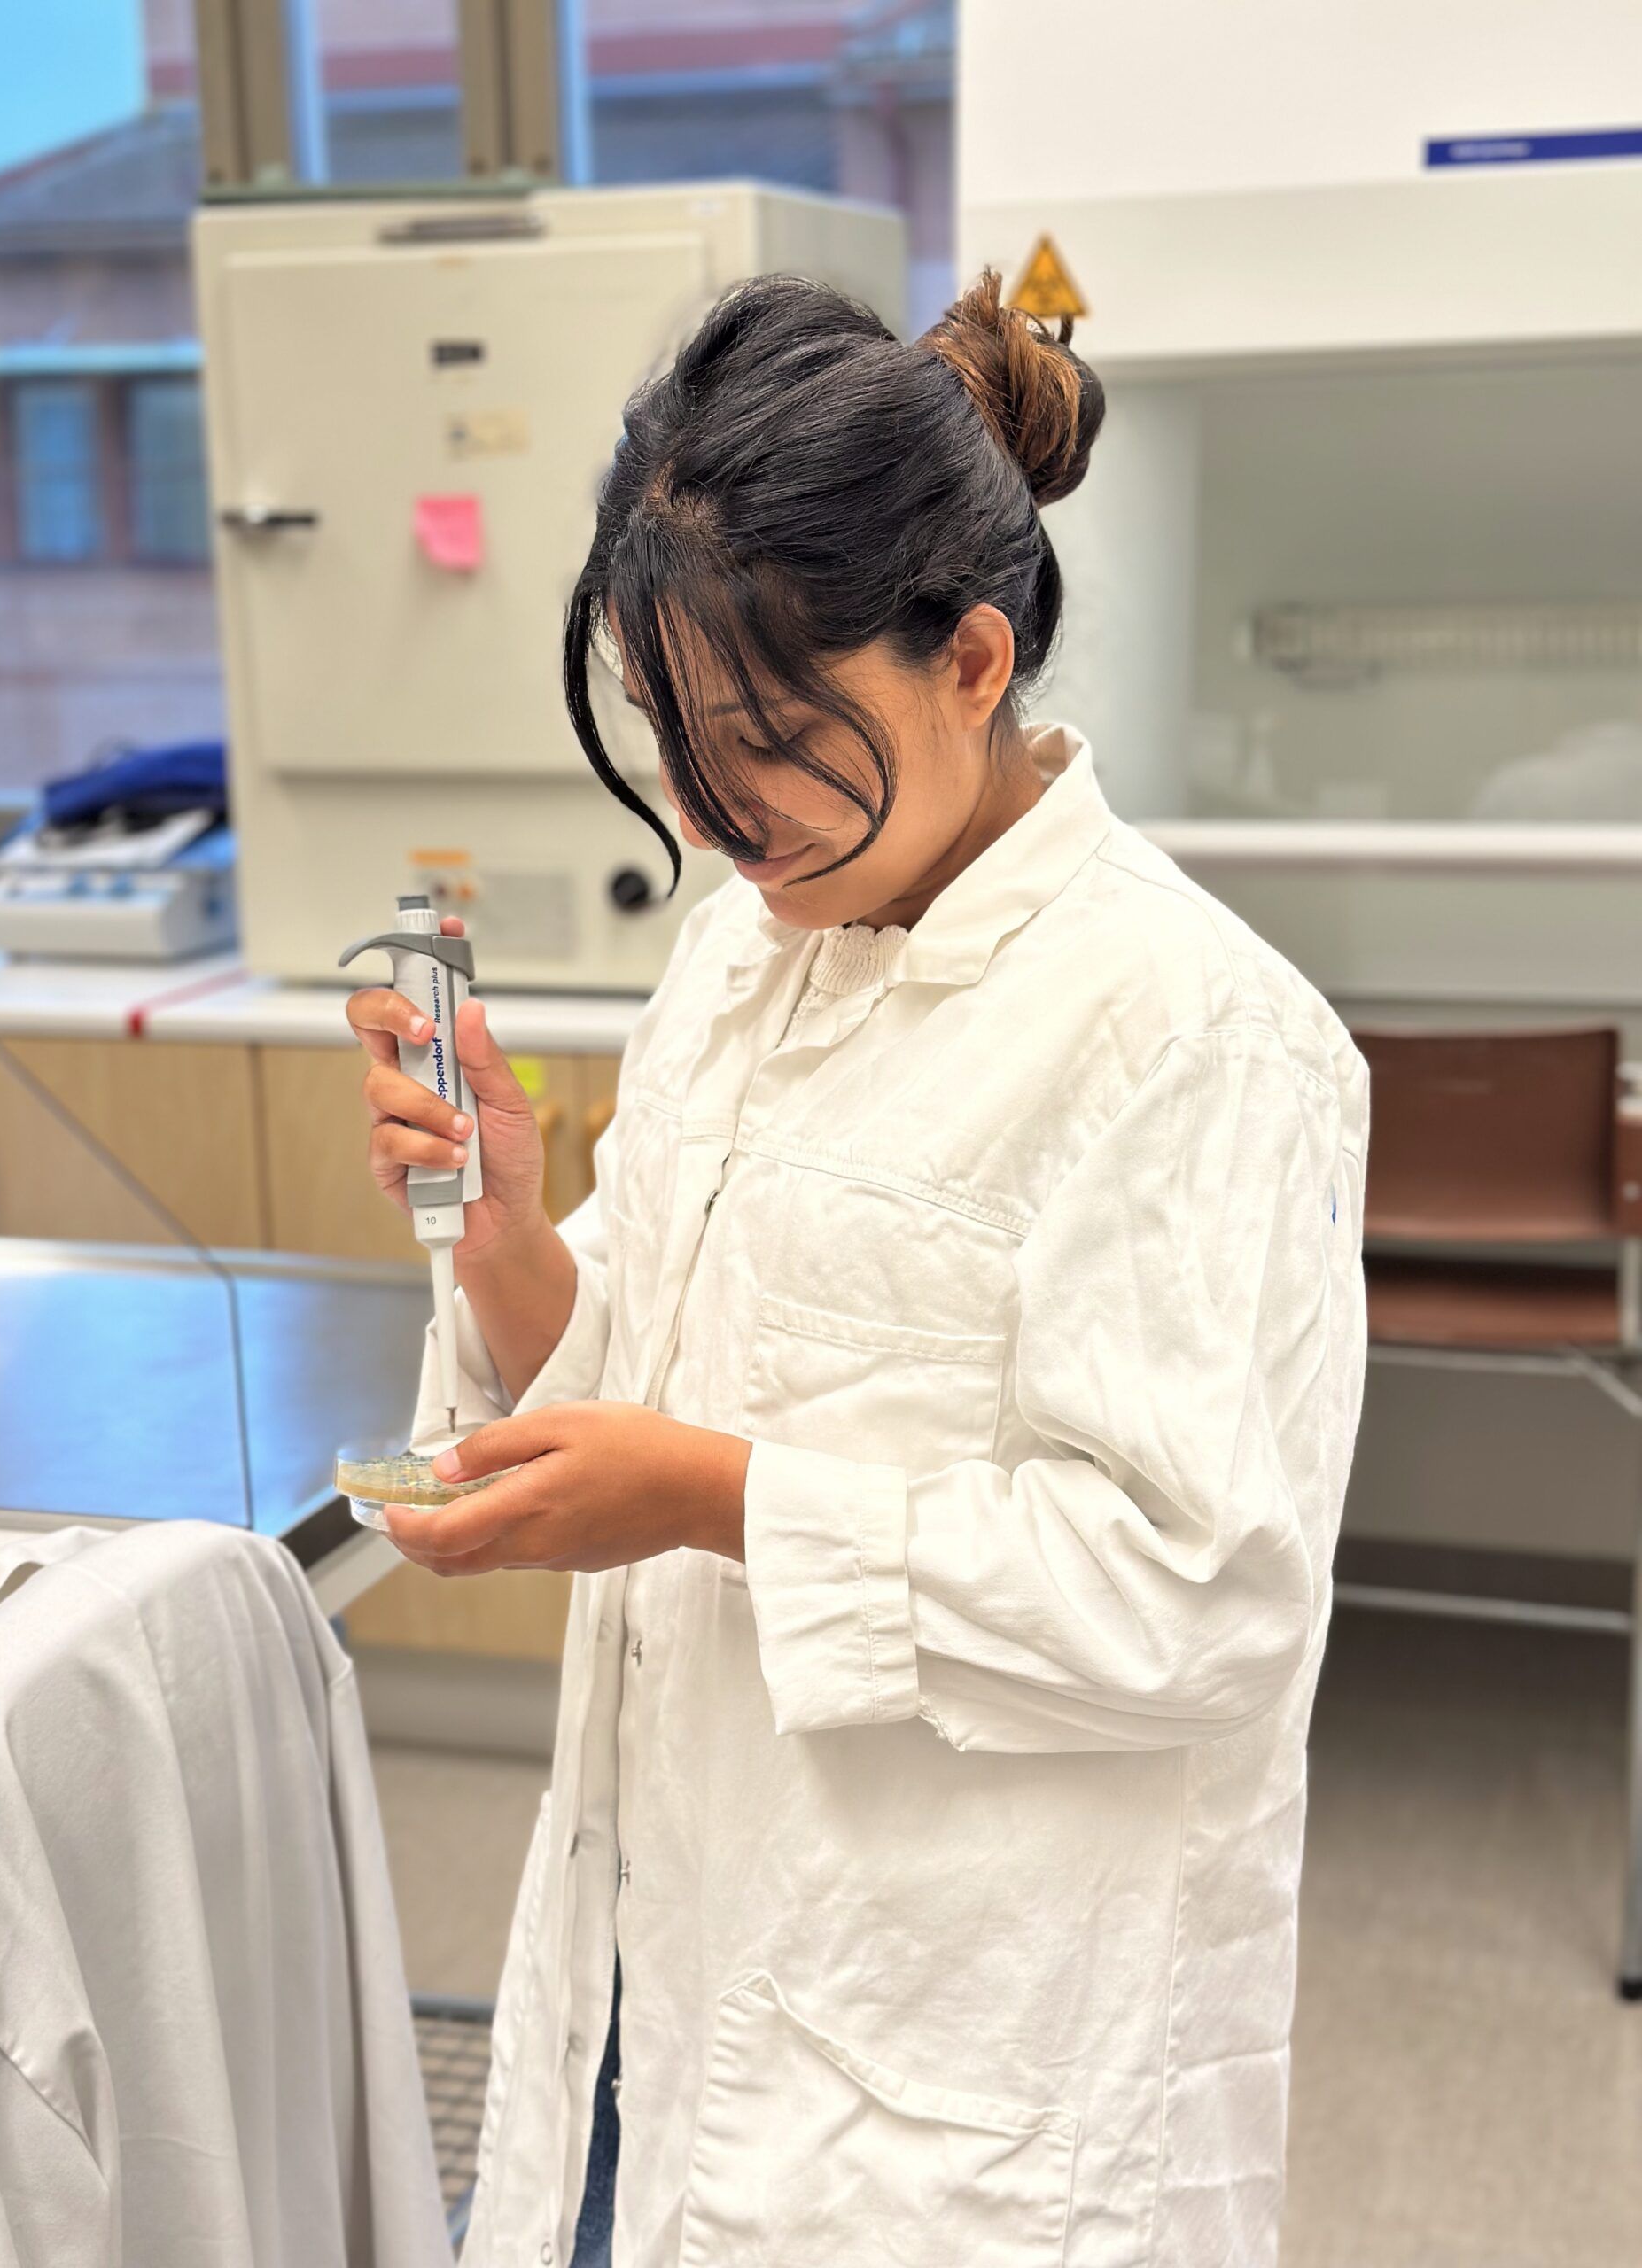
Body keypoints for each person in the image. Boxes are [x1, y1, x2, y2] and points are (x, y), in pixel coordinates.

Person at [346, 270, 1369, 2268]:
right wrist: (508, 1230)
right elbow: (620, 1366)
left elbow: (1201, 1592)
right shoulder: (751, 938)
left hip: (963, 2076)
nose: (721, 815)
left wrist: (717, 1499)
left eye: (770, 740)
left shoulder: (1191, 1034)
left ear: (973, 658)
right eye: (677, 745)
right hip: (670, 1947)